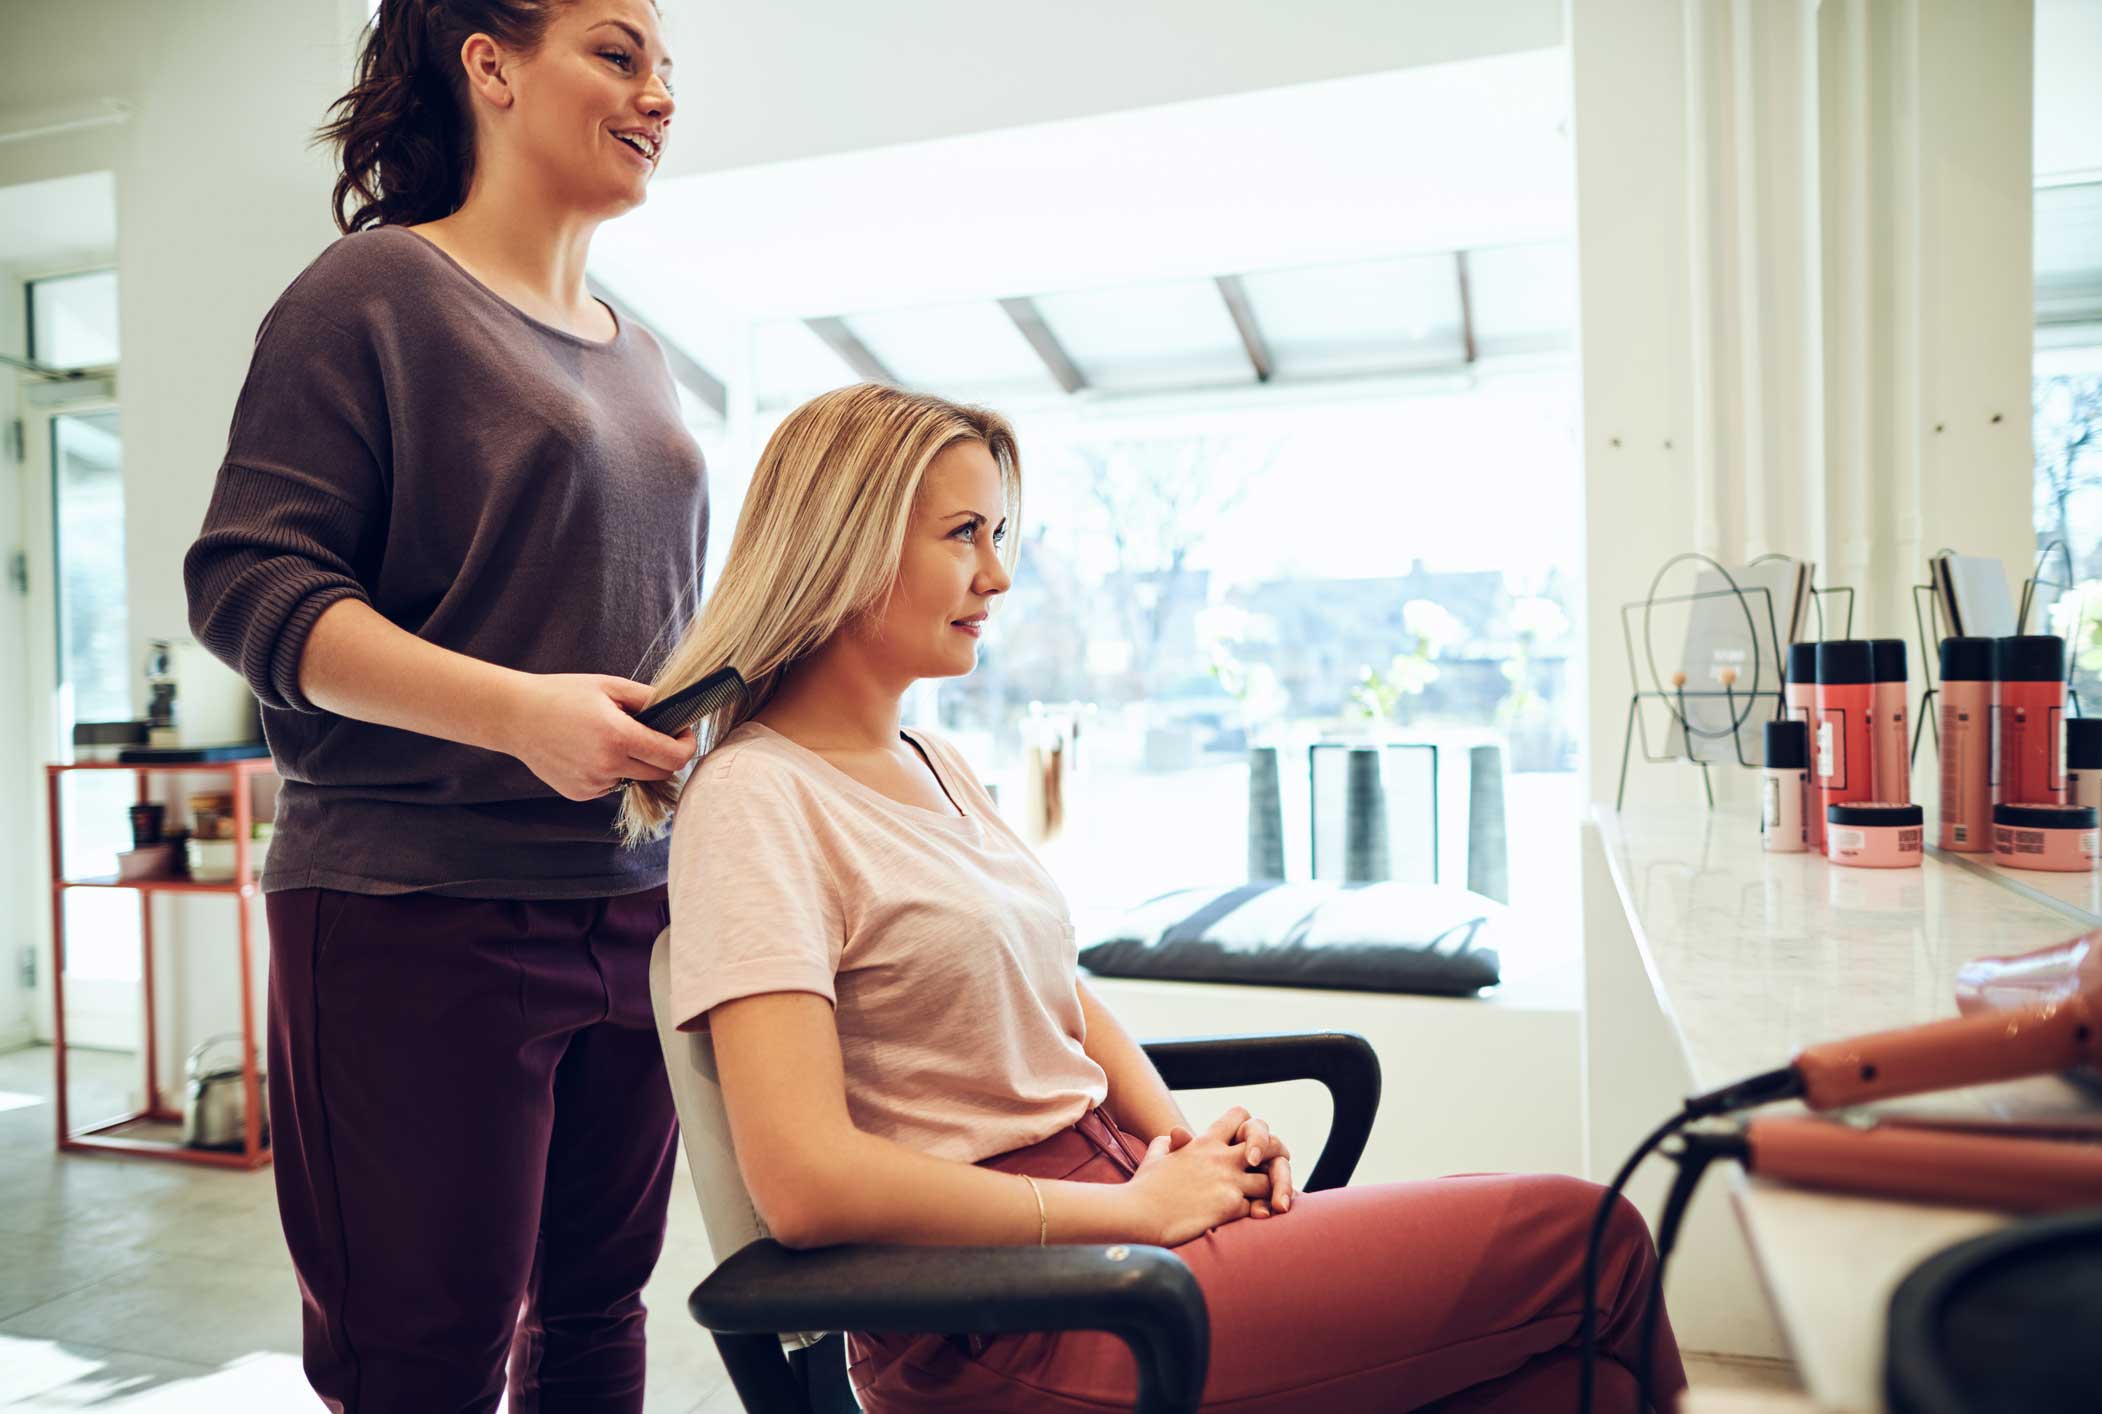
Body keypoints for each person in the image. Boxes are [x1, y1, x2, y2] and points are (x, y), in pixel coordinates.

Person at [634, 383, 1688, 1412]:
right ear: (845, 545)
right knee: (1591, 1240)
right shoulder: (756, 799)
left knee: (1576, 1384)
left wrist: (1184, 1156)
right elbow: (807, 1183)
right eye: (965, 533)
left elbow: (1067, 1000)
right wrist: (1127, 1207)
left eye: (1000, 534)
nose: (999, 575)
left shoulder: (934, 758)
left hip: (1115, 1218)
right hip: (1009, 1310)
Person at [182, 2, 699, 1408]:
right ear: (490, 65)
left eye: (665, 65)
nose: (658, 92)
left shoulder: (641, 351)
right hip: (416, 914)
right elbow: (251, 585)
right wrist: (520, 714)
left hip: (634, 904)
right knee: (422, 1368)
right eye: (616, 51)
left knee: (597, 1320)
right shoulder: (371, 297)